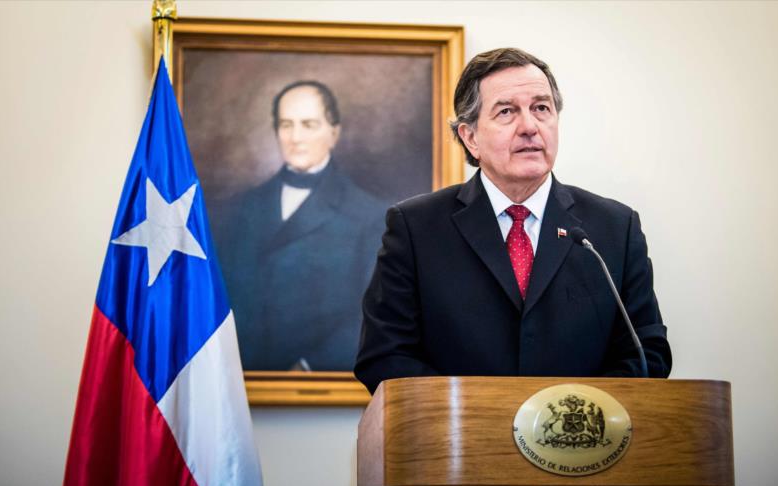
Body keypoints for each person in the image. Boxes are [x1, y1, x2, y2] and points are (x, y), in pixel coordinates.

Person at [354, 48, 671, 394]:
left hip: (580, 440)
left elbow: (647, 354)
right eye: (507, 111)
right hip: (460, 440)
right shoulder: (415, 228)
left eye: (541, 108)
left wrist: (568, 415)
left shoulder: (614, 227)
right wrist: (478, 412)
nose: (530, 127)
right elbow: (384, 356)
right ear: (470, 137)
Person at [212, 80, 387, 371]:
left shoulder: (368, 215)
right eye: (286, 125)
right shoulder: (242, 207)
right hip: (241, 378)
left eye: (308, 124)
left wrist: (308, 368)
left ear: (333, 133)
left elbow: (370, 314)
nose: (295, 137)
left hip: (316, 379)